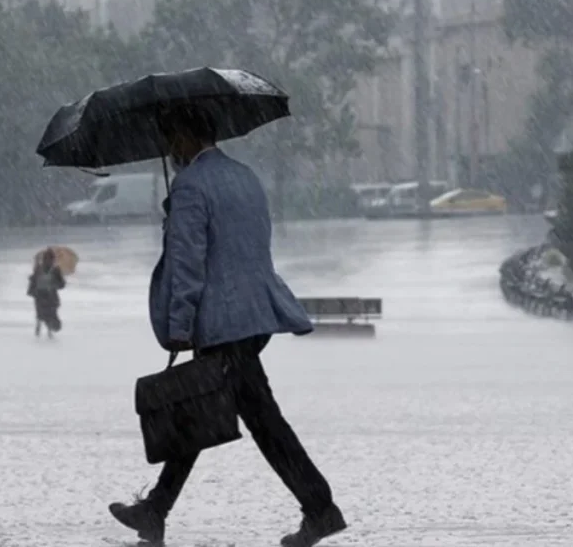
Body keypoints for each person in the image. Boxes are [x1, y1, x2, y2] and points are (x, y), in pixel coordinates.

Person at [108, 106, 344, 547]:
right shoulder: (245, 177)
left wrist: (179, 325)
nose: (169, 149)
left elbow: (188, 265)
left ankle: (320, 508)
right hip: (253, 316)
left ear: (184, 135)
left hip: (221, 323)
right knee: (203, 409)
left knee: (252, 420)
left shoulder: (192, 186)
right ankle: (155, 510)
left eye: (170, 139)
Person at [27, 247, 66, 338]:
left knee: (50, 313)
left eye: (50, 259)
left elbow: (61, 284)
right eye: (47, 259)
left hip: (51, 295)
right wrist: (32, 289)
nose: (49, 261)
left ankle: (49, 330)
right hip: (40, 295)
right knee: (41, 313)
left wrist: (58, 283)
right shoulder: (38, 268)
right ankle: (40, 327)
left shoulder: (56, 270)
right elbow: (33, 280)